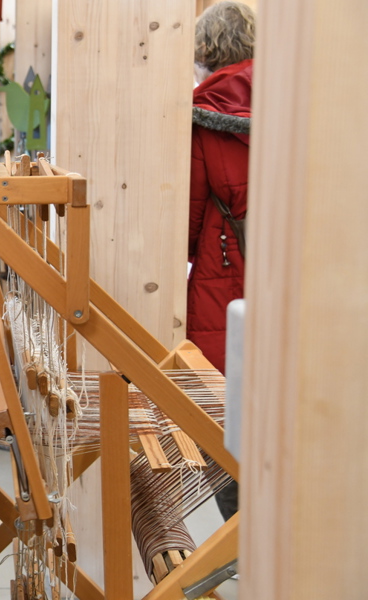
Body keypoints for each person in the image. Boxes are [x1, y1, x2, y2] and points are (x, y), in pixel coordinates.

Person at [187, 1, 254, 522]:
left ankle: (241, 537)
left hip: (223, 273)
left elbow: (189, 211)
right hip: (298, 271)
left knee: (222, 410)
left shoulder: (203, 114)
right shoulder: (303, 98)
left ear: (205, 51)